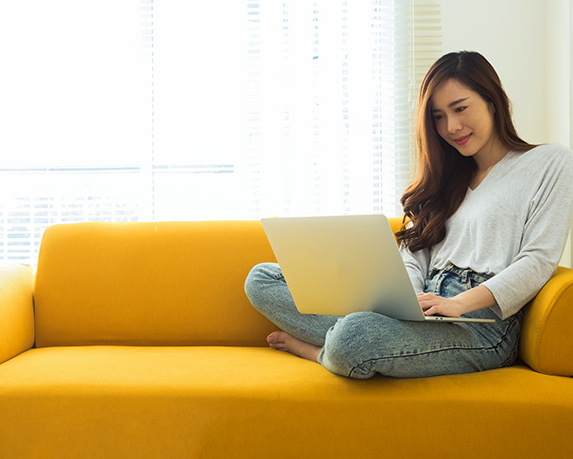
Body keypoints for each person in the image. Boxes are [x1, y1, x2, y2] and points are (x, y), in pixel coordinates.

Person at [244, 51, 573, 379]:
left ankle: (322, 351)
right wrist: (408, 301)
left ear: (492, 100)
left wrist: (459, 304)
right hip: (426, 308)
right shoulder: (447, 177)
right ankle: (350, 341)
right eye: (438, 116)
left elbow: (537, 260)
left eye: (460, 108)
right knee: (262, 278)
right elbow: (416, 254)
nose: (451, 126)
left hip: (483, 325)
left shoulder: (549, 162)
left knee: (355, 335)